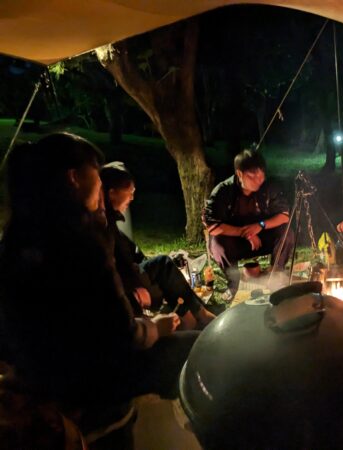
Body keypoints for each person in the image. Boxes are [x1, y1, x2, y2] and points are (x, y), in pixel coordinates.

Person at [0, 132, 199, 414]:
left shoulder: (15, 239)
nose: (101, 182)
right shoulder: (79, 243)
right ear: (74, 177)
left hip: (39, 374)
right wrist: (157, 326)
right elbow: (124, 336)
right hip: (86, 382)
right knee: (196, 346)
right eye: (95, 171)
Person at [100, 162, 215, 330]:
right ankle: (199, 315)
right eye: (129, 192)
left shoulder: (109, 220)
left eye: (134, 192)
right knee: (164, 264)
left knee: (167, 274)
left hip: (133, 273)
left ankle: (192, 317)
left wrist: (146, 265)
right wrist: (135, 287)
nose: (132, 198)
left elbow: (132, 252)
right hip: (128, 281)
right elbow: (114, 265)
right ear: (112, 193)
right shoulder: (102, 224)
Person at [204, 149, 293, 294]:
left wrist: (260, 225)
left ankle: (276, 276)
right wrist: (245, 233)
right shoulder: (223, 191)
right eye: (252, 176)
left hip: (262, 238)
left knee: (286, 232)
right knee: (217, 243)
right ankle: (234, 283)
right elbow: (213, 226)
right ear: (239, 174)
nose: (258, 181)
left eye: (261, 176)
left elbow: (284, 215)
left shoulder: (269, 188)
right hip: (234, 240)